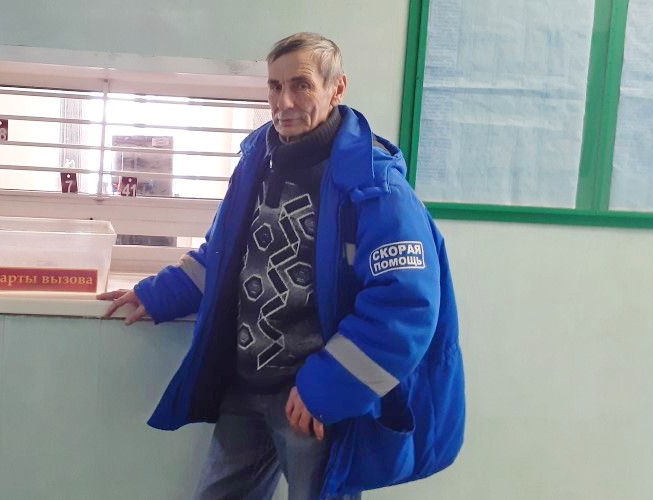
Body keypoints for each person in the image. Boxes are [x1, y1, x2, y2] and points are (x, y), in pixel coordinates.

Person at [100, 32, 465, 500]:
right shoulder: (258, 161)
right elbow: (222, 254)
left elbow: (406, 306)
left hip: (310, 399)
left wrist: (327, 388)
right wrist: (157, 294)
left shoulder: (376, 186)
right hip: (246, 384)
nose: (284, 102)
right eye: (275, 86)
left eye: (302, 85)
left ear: (336, 88)